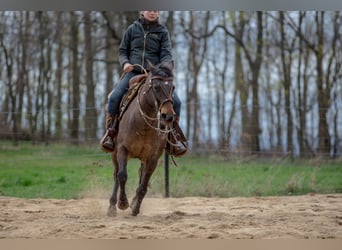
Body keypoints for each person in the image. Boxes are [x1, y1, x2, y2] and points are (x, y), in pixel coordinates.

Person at [100, 11, 187, 157]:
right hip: (133, 72)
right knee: (114, 97)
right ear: (142, 11)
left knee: (176, 102)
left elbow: (166, 54)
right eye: (150, 10)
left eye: (156, 11)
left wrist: (162, 68)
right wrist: (125, 63)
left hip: (155, 75)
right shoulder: (132, 29)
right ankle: (111, 134)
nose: (153, 13)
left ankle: (173, 138)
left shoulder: (162, 32)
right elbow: (122, 51)